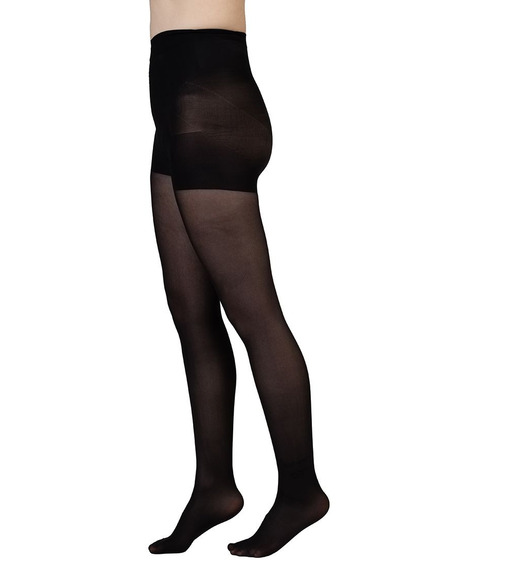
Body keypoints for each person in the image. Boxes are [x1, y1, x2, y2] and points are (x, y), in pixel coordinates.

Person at [147, 0, 330, 558]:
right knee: (192, 314)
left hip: (211, 100)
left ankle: (300, 491)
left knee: (254, 315)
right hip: (172, 110)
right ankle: (214, 488)